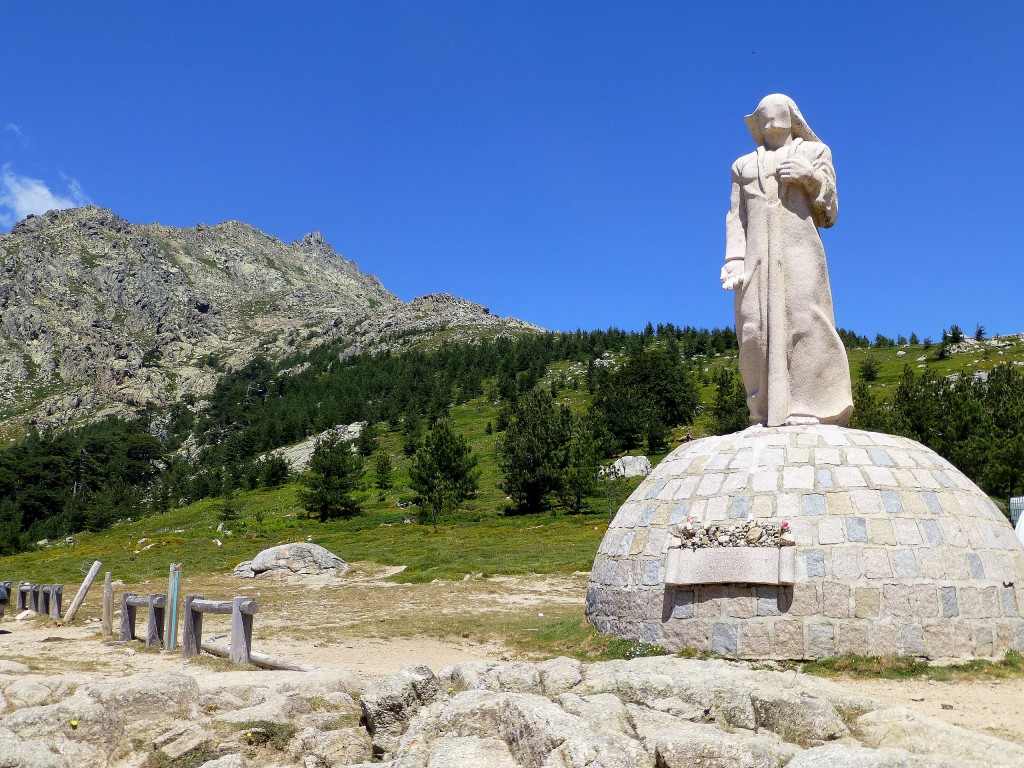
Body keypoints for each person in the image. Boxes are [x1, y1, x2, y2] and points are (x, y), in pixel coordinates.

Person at [721, 94, 853, 427]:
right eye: (762, 112)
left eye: (777, 109)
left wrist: (810, 178)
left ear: (793, 117)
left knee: (804, 319)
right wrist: (734, 259)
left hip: (800, 250)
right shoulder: (743, 166)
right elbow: (736, 218)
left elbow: (829, 214)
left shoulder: (816, 153)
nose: (769, 116)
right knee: (753, 327)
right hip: (755, 258)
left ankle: (809, 404)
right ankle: (760, 409)